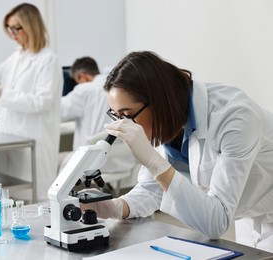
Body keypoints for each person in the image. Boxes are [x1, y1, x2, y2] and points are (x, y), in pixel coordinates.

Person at [82, 51, 273, 252]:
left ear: (158, 101)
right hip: (248, 217)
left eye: (127, 115)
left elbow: (216, 223)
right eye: (117, 115)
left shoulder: (235, 117)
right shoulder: (167, 121)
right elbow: (152, 188)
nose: (124, 124)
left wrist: (153, 162)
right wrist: (114, 207)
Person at [0, 3, 63, 201]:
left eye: (17, 28)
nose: (12, 33)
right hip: (11, 138)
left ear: (31, 26)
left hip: (35, 139)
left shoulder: (47, 60)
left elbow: (41, 102)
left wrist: (4, 94)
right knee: (13, 195)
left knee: (37, 197)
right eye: (9, 28)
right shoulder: (16, 57)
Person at [59, 57, 137, 185]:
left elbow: (59, 112)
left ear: (83, 77)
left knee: (62, 161)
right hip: (123, 161)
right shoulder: (121, 86)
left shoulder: (85, 89)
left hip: (92, 162)